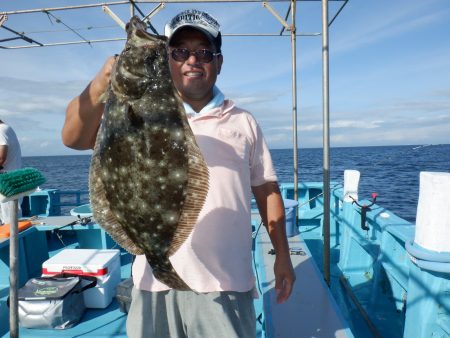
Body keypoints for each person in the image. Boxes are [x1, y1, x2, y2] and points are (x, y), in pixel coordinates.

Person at [62, 9, 295, 338]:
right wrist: (103, 80)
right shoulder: (132, 107)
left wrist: (282, 255)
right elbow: (73, 137)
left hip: (225, 284)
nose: (192, 61)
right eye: (180, 52)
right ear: (167, 60)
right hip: (150, 283)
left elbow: (267, 189)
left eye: (203, 52)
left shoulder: (243, 122)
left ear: (219, 62)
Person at [0, 119, 23, 224]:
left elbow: (1, 158)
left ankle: (11, 240)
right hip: (12, 180)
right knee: (11, 218)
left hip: (7, 182)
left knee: (10, 221)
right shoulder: (6, 128)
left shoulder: (1, 130)